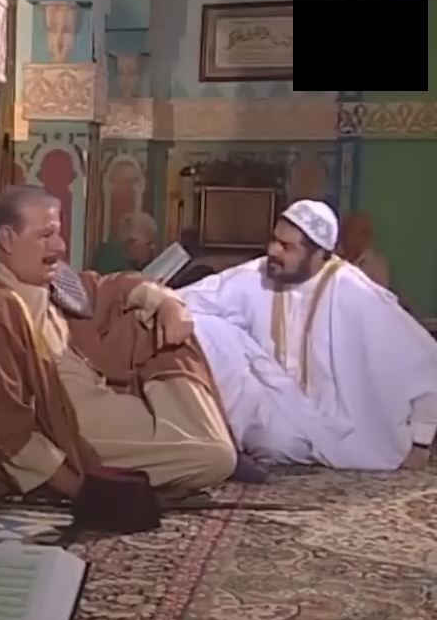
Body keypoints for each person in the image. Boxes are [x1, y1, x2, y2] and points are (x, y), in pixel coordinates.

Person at [0, 186, 240, 503]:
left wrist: (170, 305)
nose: (59, 246)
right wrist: (79, 488)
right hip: (68, 426)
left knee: (153, 316)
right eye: (46, 235)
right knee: (215, 457)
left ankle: (206, 444)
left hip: (105, 396)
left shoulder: (51, 280)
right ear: (7, 240)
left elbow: (115, 286)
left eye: (58, 234)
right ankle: (201, 453)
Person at [180, 200, 437, 471]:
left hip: (336, 426)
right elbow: (190, 298)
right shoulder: (257, 274)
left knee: (279, 444)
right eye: (274, 240)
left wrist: (421, 442)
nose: (273, 251)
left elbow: (425, 362)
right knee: (203, 326)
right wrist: (163, 303)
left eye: (287, 247)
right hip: (273, 405)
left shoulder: (357, 294)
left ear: (318, 255)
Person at [90, 211, 158, 274]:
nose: (153, 247)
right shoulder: (111, 260)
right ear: (132, 241)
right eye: (149, 242)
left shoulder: (135, 263)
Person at [337, 210, 390, 288]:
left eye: (367, 233)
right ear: (345, 233)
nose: (367, 238)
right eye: (361, 233)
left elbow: (379, 294)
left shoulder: (376, 265)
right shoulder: (329, 257)